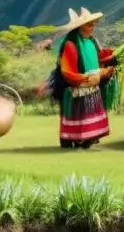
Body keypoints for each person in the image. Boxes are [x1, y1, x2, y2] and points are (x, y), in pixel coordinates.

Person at [49, 8, 117, 149]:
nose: (93, 27)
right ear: (80, 28)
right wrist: (90, 77)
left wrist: (113, 58)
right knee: (76, 119)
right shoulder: (70, 46)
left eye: (93, 24)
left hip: (91, 88)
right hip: (76, 88)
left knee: (88, 127)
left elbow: (98, 58)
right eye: (89, 25)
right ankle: (74, 141)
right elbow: (67, 72)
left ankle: (86, 140)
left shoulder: (91, 42)